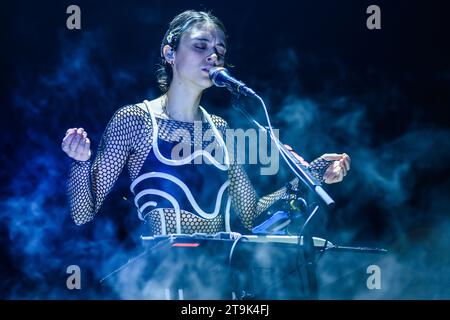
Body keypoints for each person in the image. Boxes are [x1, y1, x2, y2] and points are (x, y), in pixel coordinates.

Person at [61, 10, 350, 237]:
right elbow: (83, 214)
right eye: (200, 46)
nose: (213, 56)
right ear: (170, 53)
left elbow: (251, 215)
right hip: (160, 280)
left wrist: (313, 174)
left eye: (220, 52)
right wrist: (79, 163)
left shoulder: (220, 131)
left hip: (219, 279)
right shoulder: (134, 120)